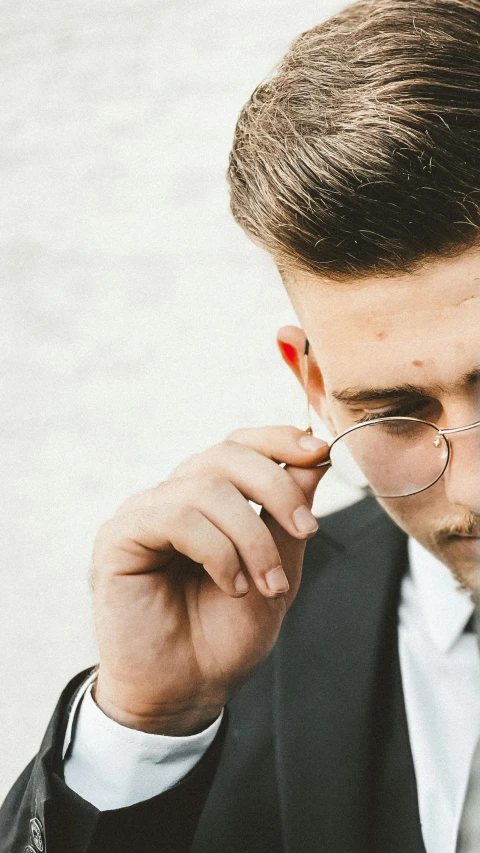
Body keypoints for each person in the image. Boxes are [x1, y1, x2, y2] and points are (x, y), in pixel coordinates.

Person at [2, 1, 480, 851]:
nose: (472, 486)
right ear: (317, 386)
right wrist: (147, 727)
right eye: (396, 413)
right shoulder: (233, 647)